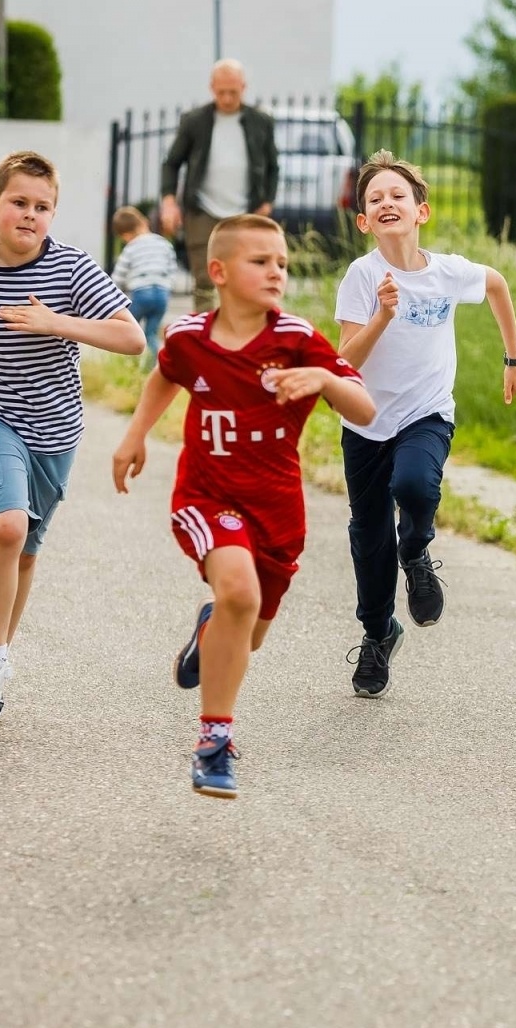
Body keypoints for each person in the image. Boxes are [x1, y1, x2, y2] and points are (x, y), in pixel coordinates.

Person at [112, 214, 374, 799]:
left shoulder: (299, 340)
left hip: (278, 511)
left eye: (281, 262)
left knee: (246, 633)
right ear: (219, 272)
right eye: (261, 262)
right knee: (238, 592)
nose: (276, 271)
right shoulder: (188, 337)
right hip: (207, 497)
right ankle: (214, 742)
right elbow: (164, 374)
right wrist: (134, 436)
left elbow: (364, 410)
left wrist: (323, 381)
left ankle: (210, 633)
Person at [0, 150, 144, 720]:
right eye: (18, 202)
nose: (30, 215)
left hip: (55, 431)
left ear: (53, 216)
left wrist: (56, 323)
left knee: (26, 552)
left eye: (42, 207)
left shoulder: (71, 269)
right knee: (8, 528)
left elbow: (133, 340)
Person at [334, 149, 516, 699]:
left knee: (415, 487)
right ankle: (377, 636)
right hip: (366, 422)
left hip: (426, 413)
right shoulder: (362, 275)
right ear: (364, 221)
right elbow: (347, 360)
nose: (387, 203)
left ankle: (415, 552)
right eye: (375, 200)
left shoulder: (447, 272)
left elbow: (497, 284)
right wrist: (383, 316)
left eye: (398, 195)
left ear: (422, 211)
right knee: (368, 539)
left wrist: (514, 358)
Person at [159, 58, 279, 313]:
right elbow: (171, 163)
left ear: (244, 87)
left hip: (245, 212)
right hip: (202, 210)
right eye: (221, 92)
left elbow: (272, 167)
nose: (226, 98)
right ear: (212, 88)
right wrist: (169, 202)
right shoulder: (194, 121)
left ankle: (241, 333)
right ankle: (205, 336)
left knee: (245, 277)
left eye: (233, 92)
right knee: (204, 278)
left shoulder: (261, 122)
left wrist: (267, 202)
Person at [111, 205, 179, 371]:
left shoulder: (131, 247)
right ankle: (153, 369)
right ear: (144, 222)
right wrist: (167, 285)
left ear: (125, 235)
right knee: (151, 333)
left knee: (127, 329)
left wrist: (112, 292)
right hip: (162, 295)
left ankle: (127, 365)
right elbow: (172, 268)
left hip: (142, 293)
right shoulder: (163, 243)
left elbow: (118, 275)